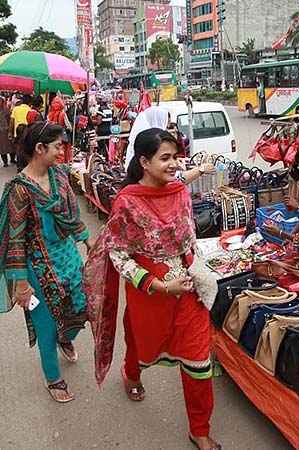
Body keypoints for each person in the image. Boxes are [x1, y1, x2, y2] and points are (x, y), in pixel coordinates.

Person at [84, 128, 221, 450]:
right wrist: (158, 285)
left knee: (199, 361)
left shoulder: (179, 191)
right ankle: (132, 374)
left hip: (188, 290)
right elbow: (117, 253)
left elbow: (188, 235)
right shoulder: (127, 202)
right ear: (144, 162)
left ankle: (199, 430)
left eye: (176, 157)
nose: (174, 164)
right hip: (149, 294)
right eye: (165, 158)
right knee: (141, 347)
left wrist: (194, 270)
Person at [0, 121, 91, 403]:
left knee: (81, 309)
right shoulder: (19, 190)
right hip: (38, 269)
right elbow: (16, 241)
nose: (62, 152)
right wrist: (21, 284)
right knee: (45, 325)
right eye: (58, 146)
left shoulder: (59, 175)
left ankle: (65, 336)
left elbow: (71, 213)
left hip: (68, 259)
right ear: (39, 148)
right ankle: (53, 377)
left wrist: (85, 238)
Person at [9, 94, 31, 164]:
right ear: (30, 102)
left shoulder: (16, 109)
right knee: (26, 150)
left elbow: (11, 122)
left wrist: (10, 132)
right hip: (28, 133)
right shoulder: (30, 110)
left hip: (17, 133)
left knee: (18, 150)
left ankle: (19, 164)